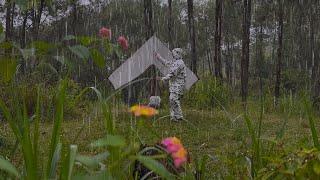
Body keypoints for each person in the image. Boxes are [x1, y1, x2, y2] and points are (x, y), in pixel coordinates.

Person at [155, 48, 186, 121]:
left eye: (174, 53)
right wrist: (159, 57)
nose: (173, 54)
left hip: (178, 85)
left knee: (174, 99)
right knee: (172, 99)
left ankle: (179, 116)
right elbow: (167, 63)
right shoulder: (175, 62)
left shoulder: (180, 63)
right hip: (173, 84)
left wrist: (163, 78)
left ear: (178, 53)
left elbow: (173, 73)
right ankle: (174, 116)